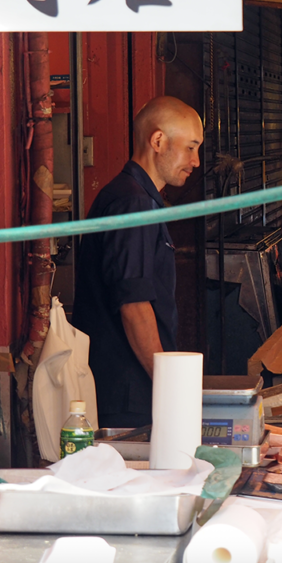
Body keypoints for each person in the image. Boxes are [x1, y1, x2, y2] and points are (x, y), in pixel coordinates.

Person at [74, 96, 204, 428]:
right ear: (158, 141)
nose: (196, 160)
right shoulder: (132, 202)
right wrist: (169, 386)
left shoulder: (142, 199)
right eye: (190, 147)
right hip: (126, 393)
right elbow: (133, 305)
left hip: (133, 388)